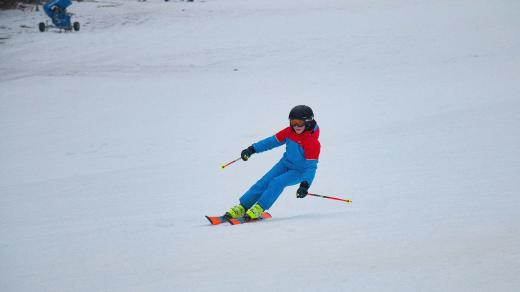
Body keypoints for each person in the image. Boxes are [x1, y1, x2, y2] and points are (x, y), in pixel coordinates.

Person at [226, 105, 321, 220]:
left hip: (299, 171)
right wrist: (252, 149)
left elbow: (311, 167)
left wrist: (305, 185)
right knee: (263, 182)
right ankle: (243, 206)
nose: (296, 126)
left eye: (299, 123)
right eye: (293, 122)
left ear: (308, 122)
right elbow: (271, 142)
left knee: (277, 182)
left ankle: (259, 208)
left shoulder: (312, 143)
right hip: (284, 164)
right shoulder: (289, 131)